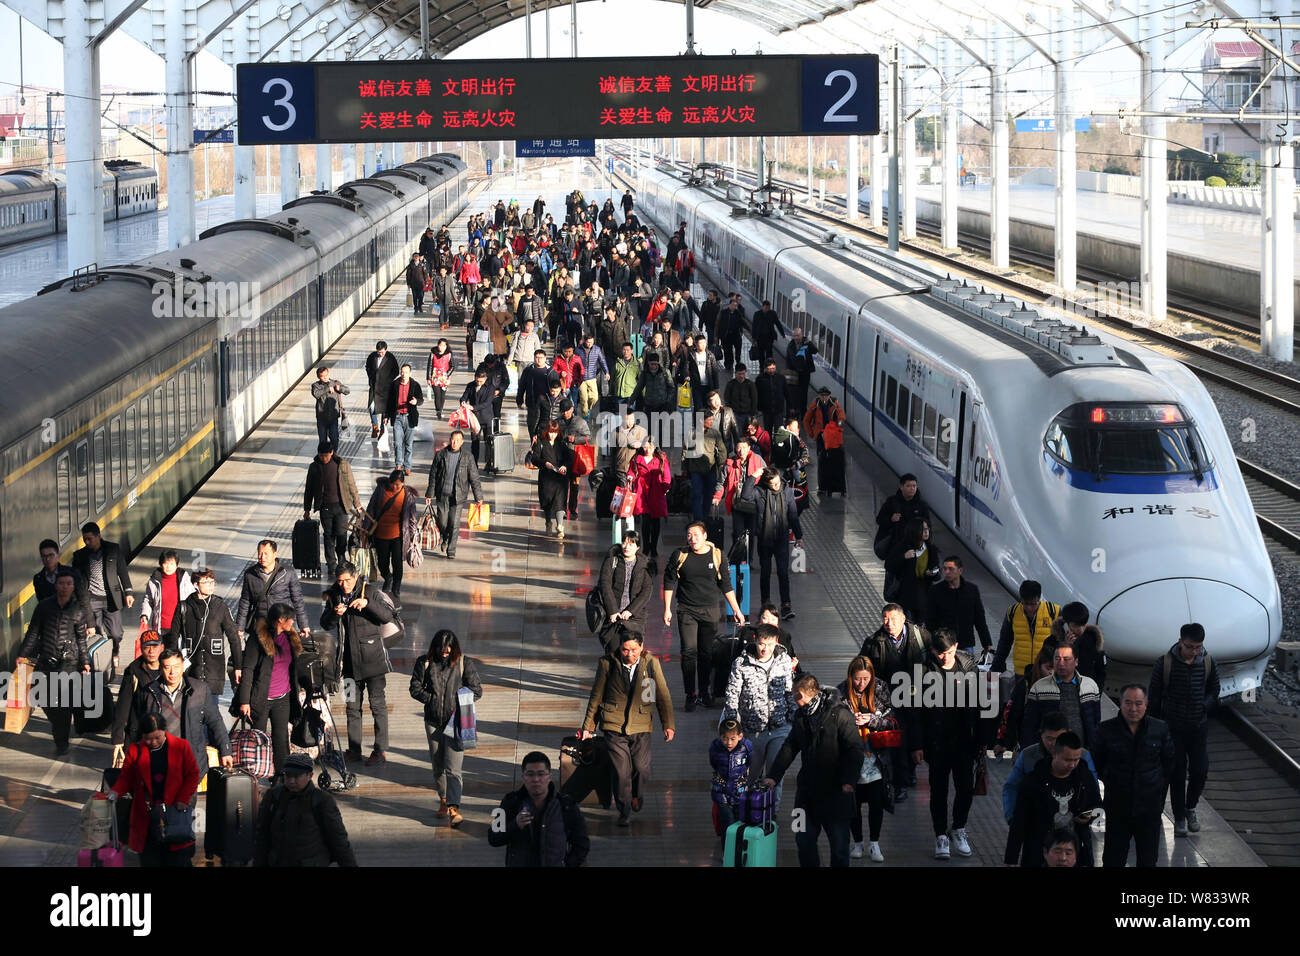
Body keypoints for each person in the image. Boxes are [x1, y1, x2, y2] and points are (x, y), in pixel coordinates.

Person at [761, 674, 862, 868]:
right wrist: (773, 776)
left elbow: (854, 750)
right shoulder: (801, 716)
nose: (794, 700)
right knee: (803, 840)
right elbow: (790, 746)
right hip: (807, 794)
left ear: (807, 693)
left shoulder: (840, 714)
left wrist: (849, 780)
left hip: (837, 793)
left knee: (840, 848)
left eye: (796, 696)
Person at [580, 629, 675, 826]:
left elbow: (663, 695)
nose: (630, 654)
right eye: (625, 650)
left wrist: (668, 724)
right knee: (621, 771)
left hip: (641, 725)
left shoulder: (650, 663)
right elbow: (596, 696)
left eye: (634, 650)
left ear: (641, 647)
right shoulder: (607, 664)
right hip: (613, 726)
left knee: (641, 768)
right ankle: (624, 809)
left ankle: (636, 795)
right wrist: (589, 727)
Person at [906, 628, 981, 860]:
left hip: (965, 742)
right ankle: (941, 834)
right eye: (940, 654)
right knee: (939, 790)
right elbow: (915, 712)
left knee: (965, 788)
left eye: (949, 652)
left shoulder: (969, 667)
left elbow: (980, 707)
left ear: (956, 647)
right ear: (932, 651)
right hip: (936, 743)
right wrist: (916, 745)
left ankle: (958, 828)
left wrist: (982, 742)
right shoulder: (922, 671)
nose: (945, 657)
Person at [663, 522, 746, 711]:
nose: (692, 539)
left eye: (696, 535)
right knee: (689, 652)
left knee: (706, 653)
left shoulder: (717, 555)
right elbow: (669, 580)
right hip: (686, 610)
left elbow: (726, 585)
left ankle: (704, 692)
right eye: (689, 535)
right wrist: (667, 608)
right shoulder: (680, 555)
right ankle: (690, 694)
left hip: (710, 611)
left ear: (705, 536)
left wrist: (736, 610)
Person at [319, 563, 396, 767]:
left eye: (348, 580)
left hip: (373, 661)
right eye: (340, 581)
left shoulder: (370, 591)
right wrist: (336, 613)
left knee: (377, 704)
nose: (344, 585)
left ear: (356, 576)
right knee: (352, 706)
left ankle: (380, 750)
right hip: (349, 662)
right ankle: (354, 749)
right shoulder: (335, 594)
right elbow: (325, 623)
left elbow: (388, 615)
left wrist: (367, 603)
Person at [1147, 622, 1220, 837]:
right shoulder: (1165, 663)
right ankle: (1179, 817)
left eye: (1198, 647)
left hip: (1198, 727)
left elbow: (1214, 689)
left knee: (1200, 770)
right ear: (1180, 642)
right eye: (1190, 646)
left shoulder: (1207, 661)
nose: (1194, 651)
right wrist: (1156, 726)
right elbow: (1154, 695)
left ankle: (1190, 807)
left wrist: (1204, 706)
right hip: (1172, 728)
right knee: (1176, 773)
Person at [1094, 684, 1175, 867]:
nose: (1133, 709)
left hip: (1149, 810)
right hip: (1117, 808)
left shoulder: (1160, 729)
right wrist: (1111, 779)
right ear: (1120, 703)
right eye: (1128, 703)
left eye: (1138, 703)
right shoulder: (1106, 730)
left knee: (1147, 860)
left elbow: (1169, 763)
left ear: (1146, 704)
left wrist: (1156, 790)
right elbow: (1096, 763)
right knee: (1113, 859)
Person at [409, 630, 483, 827]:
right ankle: (443, 799)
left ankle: (453, 807)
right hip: (433, 722)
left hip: (456, 723)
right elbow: (414, 688)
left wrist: (460, 703)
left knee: (453, 768)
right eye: (441, 647)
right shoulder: (424, 662)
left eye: (449, 647)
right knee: (438, 765)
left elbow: (477, 690)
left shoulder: (464, 663)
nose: (445, 650)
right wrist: (431, 699)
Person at [107, 713, 200, 866]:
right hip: (146, 815)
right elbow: (126, 778)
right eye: (149, 738)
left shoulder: (181, 746)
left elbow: (192, 774)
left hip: (174, 812)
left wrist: (183, 799)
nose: (154, 742)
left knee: (178, 859)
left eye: (158, 737)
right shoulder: (134, 751)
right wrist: (116, 791)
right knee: (150, 860)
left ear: (165, 731)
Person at [128, 648, 232, 781]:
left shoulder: (199, 690)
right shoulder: (148, 692)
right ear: (161, 668)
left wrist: (226, 750)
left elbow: (215, 721)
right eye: (167, 667)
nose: (173, 672)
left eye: (176, 666)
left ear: (183, 666)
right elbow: (135, 726)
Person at [15, 570, 89, 755]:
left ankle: (61, 741)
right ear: (56, 585)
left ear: (73, 587)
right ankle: (60, 723)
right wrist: (22, 654)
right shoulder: (44, 607)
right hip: (46, 660)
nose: (65, 587)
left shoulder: (78, 610)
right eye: (61, 583)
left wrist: (85, 662)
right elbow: (33, 633)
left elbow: (81, 640)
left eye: (68, 584)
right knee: (42, 698)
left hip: (68, 663)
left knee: (63, 704)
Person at [859, 603, 928, 800]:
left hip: (916, 697)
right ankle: (900, 783)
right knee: (897, 740)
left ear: (903, 619)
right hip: (889, 700)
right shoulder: (874, 642)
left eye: (893, 619)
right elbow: (862, 666)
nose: (889, 624)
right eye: (885, 619)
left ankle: (910, 771)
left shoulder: (920, 636)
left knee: (915, 735)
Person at [722, 623, 795, 803]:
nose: (765, 649)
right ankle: (744, 811)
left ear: (776, 642)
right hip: (752, 731)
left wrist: (794, 719)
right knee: (749, 776)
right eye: (762, 644)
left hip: (780, 728)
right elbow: (732, 695)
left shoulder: (784, 661)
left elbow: (789, 691)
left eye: (770, 644)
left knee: (774, 776)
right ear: (755, 641)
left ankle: (772, 815)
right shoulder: (741, 663)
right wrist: (732, 725)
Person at [1005, 731, 1101, 867]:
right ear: (1055, 753)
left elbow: (1098, 805)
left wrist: (1090, 815)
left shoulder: (1084, 777)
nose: (1072, 765)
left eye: (1076, 759)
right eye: (1067, 759)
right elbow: (1019, 822)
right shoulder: (1033, 781)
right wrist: (1011, 859)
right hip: (1039, 852)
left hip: (1075, 852)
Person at [838, 656, 898, 862]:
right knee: (853, 804)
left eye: (865, 679)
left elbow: (893, 721)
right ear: (850, 677)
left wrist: (872, 720)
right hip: (852, 759)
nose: (861, 683)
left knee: (876, 802)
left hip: (877, 758)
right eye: (857, 679)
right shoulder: (841, 693)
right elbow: (835, 723)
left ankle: (874, 843)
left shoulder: (881, 688)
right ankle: (858, 843)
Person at [255, 752, 358, 866]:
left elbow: (339, 840)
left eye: (296, 776)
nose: (291, 781)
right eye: (288, 776)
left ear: (310, 775)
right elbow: (262, 837)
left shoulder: (322, 801)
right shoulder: (273, 796)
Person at [236, 604, 305, 775]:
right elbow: (248, 670)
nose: (293, 622)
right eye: (290, 619)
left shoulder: (290, 637)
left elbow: (295, 666)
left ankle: (283, 776)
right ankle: (256, 775)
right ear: (280, 620)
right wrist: (244, 701)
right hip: (261, 698)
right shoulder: (257, 639)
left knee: (281, 739)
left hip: (283, 697)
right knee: (258, 738)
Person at [488, 751, 590, 866]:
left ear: (549, 777)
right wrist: (514, 825)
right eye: (530, 774)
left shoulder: (566, 805)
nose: (536, 779)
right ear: (523, 777)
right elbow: (493, 837)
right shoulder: (510, 802)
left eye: (541, 774)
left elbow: (582, 844)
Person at [1001, 710, 1097, 824]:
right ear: (1041, 735)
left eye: (1059, 737)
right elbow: (1011, 787)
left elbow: (1093, 791)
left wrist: (1089, 814)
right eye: (1049, 739)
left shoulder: (1083, 756)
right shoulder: (1027, 756)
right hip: (1035, 823)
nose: (1054, 743)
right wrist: (1012, 817)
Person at [739, 466, 804, 621]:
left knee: (783, 572)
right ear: (766, 483)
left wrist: (799, 535)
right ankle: (766, 603)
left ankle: (786, 605)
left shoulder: (787, 491)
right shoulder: (759, 492)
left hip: (781, 538)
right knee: (765, 572)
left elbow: (793, 514)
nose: (776, 486)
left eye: (777, 483)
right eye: (773, 484)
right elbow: (745, 496)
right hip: (764, 538)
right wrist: (753, 477)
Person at [72, 522, 134, 670]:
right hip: (92, 599)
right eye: (84, 539)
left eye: (89, 539)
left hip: (111, 598)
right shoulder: (79, 556)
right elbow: (76, 580)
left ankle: (115, 650)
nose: (87, 542)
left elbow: (122, 571)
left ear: (98, 536)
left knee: (116, 633)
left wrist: (128, 592)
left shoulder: (113, 549)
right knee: (98, 633)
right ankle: (103, 659)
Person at [233, 540, 310, 656]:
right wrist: (240, 627)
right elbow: (245, 601)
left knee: (285, 657)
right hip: (261, 625)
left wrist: (303, 624)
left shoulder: (287, 573)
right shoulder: (250, 574)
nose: (262, 557)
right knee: (264, 659)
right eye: (260, 553)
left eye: (266, 553)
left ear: (275, 554)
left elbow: (297, 600)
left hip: (283, 624)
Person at [1021, 644, 1103, 750]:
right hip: (1048, 752)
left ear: (1076, 662)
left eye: (1066, 659)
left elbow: (1096, 721)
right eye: (1057, 659)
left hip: (1081, 751)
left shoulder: (1090, 686)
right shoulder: (1039, 687)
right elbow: (1029, 725)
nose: (1061, 663)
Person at [174, 568, 238, 700]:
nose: (211, 585)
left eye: (212, 582)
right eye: (206, 582)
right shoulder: (184, 607)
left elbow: (234, 638)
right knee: (192, 713)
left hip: (213, 672)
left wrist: (238, 665)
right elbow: (173, 637)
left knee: (211, 713)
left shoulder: (220, 606)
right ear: (195, 585)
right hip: (191, 672)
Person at [304, 441, 363, 579]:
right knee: (329, 536)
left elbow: (351, 485)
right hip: (325, 507)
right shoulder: (314, 467)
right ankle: (331, 564)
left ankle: (341, 560)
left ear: (332, 453)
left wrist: (357, 504)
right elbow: (309, 490)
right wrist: (307, 509)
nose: (323, 458)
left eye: (326, 455)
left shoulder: (342, 465)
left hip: (342, 506)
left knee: (342, 534)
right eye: (320, 455)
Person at [425, 430, 485, 560]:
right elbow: (433, 475)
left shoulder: (468, 457)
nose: (455, 442)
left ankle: (451, 550)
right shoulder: (440, 454)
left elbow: (474, 478)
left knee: (454, 523)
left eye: (458, 440)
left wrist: (478, 496)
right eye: (453, 439)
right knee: (442, 521)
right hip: (442, 495)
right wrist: (429, 493)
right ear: (450, 439)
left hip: (458, 496)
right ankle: (445, 537)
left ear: (462, 442)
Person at [364, 470, 418, 605]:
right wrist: (365, 528)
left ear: (403, 484)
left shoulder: (408, 495)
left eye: (398, 485)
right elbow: (371, 508)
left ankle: (396, 588)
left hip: (399, 535)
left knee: (397, 563)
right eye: (393, 484)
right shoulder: (380, 490)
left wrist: (413, 536)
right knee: (382, 562)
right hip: (380, 534)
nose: (394, 487)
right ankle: (388, 577)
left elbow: (412, 518)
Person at [111, 632, 166, 765]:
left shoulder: (170, 667)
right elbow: (123, 706)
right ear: (141, 648)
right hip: (139, 733)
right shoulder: (133, 670)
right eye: (147, 646)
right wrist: (118, 738)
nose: (151, 650)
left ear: (162, 647)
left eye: (155, 646)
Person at [925, 555, 993, 656]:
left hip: (965, 643)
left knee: (966, 670)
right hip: (943, 644)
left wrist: (986, 642)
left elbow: (979, 619)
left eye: (951, 569)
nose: (947, 572)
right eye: (945, 569)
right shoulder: (935, 591)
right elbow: (930, 619)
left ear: (960, 570)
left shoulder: (971, 590)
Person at [995, 647, 1056, 758]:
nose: (1051, 672)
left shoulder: (1062, 685)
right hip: (1028, 744)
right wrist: (1004, 741)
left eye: (1054, 668)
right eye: (1048, 668)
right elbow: (1011, 715)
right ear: (1039, 666)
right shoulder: (1025, 685)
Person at [991, 580, 1060, 675]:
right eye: (1025, 604)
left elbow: (1062, 642)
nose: (1029, 608)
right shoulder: (1013, 612)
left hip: (1045, 671)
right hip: (1021, 671)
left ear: (1039, 598)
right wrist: (996, 666)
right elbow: (1004, 642)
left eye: (1033, 604)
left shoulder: (1053, 611)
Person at [597, 532, 653, 642]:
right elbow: (605, 585)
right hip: (613, 616)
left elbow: (646, 591)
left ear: (638, 547)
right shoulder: (612, 560)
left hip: (635, 618)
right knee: (613, 651)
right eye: (624, 543)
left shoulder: (644, 565)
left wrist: (631, 610)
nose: (626, 547)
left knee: (631, 652)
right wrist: (612, 610)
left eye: (631, 544)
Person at [885, 518, 941, 624]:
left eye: (927, 529)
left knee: (921, 624)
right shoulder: (903, 547)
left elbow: (937, 574)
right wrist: (904, 557)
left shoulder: (931, 549)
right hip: (905, 595)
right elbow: (889, 565)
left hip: (923, 594)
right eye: (922, 529)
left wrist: (933, 573)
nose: (926, 532)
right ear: (914, 531)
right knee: (906, 624)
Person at [1042, 601, 1108, 690]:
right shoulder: (1051, 641)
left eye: (1083, 625)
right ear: (1066, 624)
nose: (1080, 629)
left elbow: (1100, 673)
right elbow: (1046, 665)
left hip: (1084, 694)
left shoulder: (1093, 641)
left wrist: (1095, 695)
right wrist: (1065, 646)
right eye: (1075, 625)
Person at [709, 718, 754, 847]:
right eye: (725, 738)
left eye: (732, 739)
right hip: (721, 792)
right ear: (720, 736)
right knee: (727, 823)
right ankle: (727, 851)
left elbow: (749, 762)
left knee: (740, 821)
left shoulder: (746, 746)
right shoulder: (715, 747)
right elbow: (713, 763)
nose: (728, 742)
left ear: (740, 736)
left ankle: (738, 849)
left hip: (740, 792)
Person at [626, 438, 671, 564]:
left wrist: (666, 486)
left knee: (656, 520)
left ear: (654, 447)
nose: (647, 449)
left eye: (649, 447)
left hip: (656, 490)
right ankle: (646, 547)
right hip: (642, 491)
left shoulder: (661, 458)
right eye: (645, 447)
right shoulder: (636, 458)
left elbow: (666, 473)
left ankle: (654, 547)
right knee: (645, 520)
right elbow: (631, 470)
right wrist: (630, 476)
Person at [139, 550, 195, 643]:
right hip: (161, 626)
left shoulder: (184, 579)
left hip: (179, 626)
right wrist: (145, 614)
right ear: (161, 565)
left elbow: (192, 598)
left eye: (172, 564)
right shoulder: (154, 581)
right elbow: (148, 600)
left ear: (177, 565)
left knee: (175, 654)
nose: (169, 567)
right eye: (165, 563)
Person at [682, 410, 728, 522]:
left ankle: (705, 517)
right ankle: (698, 520)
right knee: (696, 495)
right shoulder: (691, 434)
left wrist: (721, 463)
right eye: (710, 419)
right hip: (695, 470)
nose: (712, 421)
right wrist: (684, 468)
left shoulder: (715, 433)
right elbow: (685, 451)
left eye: (713, 419)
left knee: (708, 495)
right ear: (702, 420)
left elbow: (722, 450)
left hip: (710, 470)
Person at [873, 474, 929, 559]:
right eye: (908, 486)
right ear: (901, 487)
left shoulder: (921, 506)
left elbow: (928, 526)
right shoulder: (892, 502)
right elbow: (879, 520)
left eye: (914, 486)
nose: (912, 488)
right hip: (894, 545)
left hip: (914, 545)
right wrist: (891, 519)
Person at [534, 421, 573, 537]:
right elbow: (534, 459)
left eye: (555, 433)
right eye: (551, 432)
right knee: (547, 501)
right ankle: (548, 521)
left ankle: (560, 525)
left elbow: (569, 457)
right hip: (546, 478)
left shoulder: (561, 444)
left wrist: (565, 466)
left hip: (560, 478)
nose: (552, 435)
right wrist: (544, 463)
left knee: (560, 501)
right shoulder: (540, 443)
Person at [384, 364, 424, 476]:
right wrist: (386, 416)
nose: (403, 374)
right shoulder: (394, 384)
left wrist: (416, 402)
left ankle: (407, 466)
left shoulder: (415, 385)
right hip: (397, 417)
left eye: (406, 372)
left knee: (408, 444)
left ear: (410, 373)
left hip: (409, 417)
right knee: (397, 443)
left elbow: (421, 399)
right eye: (402, 372)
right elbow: (389, 402)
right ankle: (398, 464)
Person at [460, 368, 499, 471]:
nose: (478, 383)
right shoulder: (470, 385)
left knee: (489, 442)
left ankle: (489, 463)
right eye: (477, 380)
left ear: (485, 379)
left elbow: (487, 403)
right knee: (475, 442)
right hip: (474, 419)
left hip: (487, 418)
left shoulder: (490, 387)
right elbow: (464, 396)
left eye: (481, 381)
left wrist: (473, 407)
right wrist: (463, 402)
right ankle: (474, 463)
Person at [517, 350, 557, 439]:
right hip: (532, 402)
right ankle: (534, 444)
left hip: (547, 403)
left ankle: (543, 445)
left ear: (545, 358)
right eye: (537, 357)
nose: (539, 360)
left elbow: (557, 387)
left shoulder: (551, 371)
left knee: (545, 425)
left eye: (541, 358)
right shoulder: (528, 370)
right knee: (532, 425)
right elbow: (522, 385)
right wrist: (519, 399)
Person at [365, 341, 400, 439]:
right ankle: (374, 426)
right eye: (379, 352)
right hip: (374, 387)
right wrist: (371, 377)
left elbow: (396, 370)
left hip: (385, 388)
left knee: (384, 409)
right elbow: (367, 367)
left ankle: (382, 428)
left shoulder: (390, 357)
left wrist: (389, 380)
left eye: (382, 352)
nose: (380, 354)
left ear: (386, 350)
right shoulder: (372, 356)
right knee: (371, 407)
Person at [311, 366, 349, 449]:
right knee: (322, 440)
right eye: (322, 376)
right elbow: (316, 394)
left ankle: (333, 455)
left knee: (334, 438)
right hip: (322, 417)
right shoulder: (316, 385)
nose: (325, 378)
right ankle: (323, 458)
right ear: (318, 377)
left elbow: (347, 391)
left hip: (333, 417)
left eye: (326, 375)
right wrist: (328, 388)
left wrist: (340, 388)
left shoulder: (335, 383)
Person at [576, 331, 610, 417]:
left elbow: (602, 361)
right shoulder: (578, 350)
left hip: (592, 377)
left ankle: (589, 408)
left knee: (594, 397)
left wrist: (606, 372)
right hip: (581, 378)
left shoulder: (597, 349)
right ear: (584, 341)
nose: (589, 344)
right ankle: (585, 416)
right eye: (588, 342)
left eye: (591, 342)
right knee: (584, 398)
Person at [426, 339, 457, 418]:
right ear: (437, 345)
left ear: (446, 346)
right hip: (435, 376)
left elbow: (453, 366)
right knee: (437, 394)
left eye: (444, 345)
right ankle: (438, 411)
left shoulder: (449, 354)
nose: (442, 347)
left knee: (443, 394)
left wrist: (447, 374)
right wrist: (428, 378)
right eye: (440, 345)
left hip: (444, 377)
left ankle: (441, 409)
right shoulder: (433, 354)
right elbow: (429, 366)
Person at [756, 359, 786, 435]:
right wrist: (758, 408)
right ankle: (769, 445)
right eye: (769, 369)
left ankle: (778, 446)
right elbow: (757, 394)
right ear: (765, 369)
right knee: (767, 430)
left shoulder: (781, 378)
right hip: (766, 410)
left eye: (773, 368)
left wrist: (791, 407)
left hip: (778, 410)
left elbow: (786, 392)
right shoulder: (760, 379)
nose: (771, 371)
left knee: (779, 431)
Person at [751, 300, 785, 365]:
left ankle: (768, 365)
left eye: (768, 308)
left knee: (769, 352)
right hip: (760, 337)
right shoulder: (757, 314)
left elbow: (778, 324)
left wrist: (782, 333)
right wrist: (753, 337)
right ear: (762, 307)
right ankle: (761, 367)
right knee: (761, 352)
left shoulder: (773, 314)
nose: (767, 309)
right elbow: (754, 326)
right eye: (766, 308)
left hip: (769, 337)